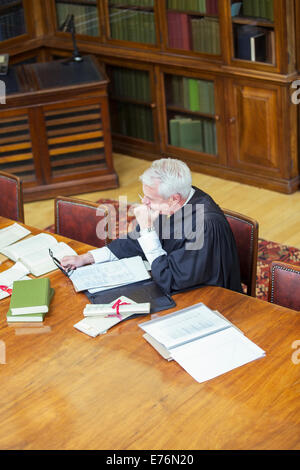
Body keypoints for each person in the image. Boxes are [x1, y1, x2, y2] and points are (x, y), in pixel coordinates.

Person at [61, 158, 242, 295]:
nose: (143, 202)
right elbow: (133, 243)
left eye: (150, 199)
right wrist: (87, 258)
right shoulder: (170, 202)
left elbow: (170, 279)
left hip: (210, 298)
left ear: (174, 198)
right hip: (177, 284)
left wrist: (148, 231)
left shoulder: (204, 225)